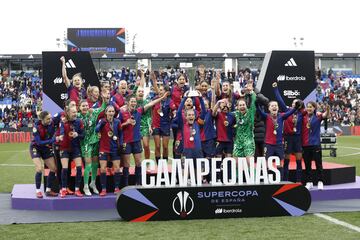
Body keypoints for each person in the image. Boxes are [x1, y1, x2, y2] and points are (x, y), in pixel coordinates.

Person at [120, 92, 169, 186]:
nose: (133, 103)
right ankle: (125, 185)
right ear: (128, 102)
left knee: (138, 162)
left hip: (136, 141)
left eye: (134, 101)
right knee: (126, 165)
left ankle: (139, 184)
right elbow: (119, 126)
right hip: (126, 142)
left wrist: (161, 97)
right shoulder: (122, 113)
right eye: (132, 101)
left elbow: (151, 104)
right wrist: (126, 123)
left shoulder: (139, 111)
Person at [257, 100, 300, 180]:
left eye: (276, 105)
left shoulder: (282, 116)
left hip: (279, 144)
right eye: (272, 106)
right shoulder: (266, 116)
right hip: (268, 144)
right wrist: (257, 105)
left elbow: (290, 113)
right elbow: (259, 112)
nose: (274, 107)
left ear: (278, 108)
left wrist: (296, 108)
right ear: (269, 109)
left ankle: (280, 181)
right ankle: (266, 182)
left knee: (280, 163)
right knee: (266, 163)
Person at [273, 81, 303, 182]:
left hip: (297, 138)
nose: (294, 104)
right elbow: (279, 100)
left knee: (299, 162)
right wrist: (276, 89)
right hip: (288, 138)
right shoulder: (287, 110)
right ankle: (285, 181)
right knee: (286, 162)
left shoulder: (301, 114)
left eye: (296, 103)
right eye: (294, 102)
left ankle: (299, 181)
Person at [77, 96, 107, 196]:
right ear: (79, 107)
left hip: (95, 141)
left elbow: (103, 107)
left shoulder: (93, 113)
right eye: (83, 106)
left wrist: (104, 98)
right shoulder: (77, 116)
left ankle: (92, 183)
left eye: (86, 105)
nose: (85, 107)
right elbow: (67, 115)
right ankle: (85, 186)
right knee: (88, 164)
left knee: (95, 164)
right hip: (85, 143)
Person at [95, 105, 123, 196]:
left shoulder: (117, 121)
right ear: (106, 112)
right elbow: (96, 130)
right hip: (104, 147)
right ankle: (103, 189)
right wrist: (101, 124)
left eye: (112, 111)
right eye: (109, 111)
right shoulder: (102, 121)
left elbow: (121, 133)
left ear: (114, 113)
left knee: (117, 168)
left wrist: (121, 143)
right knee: (103, 168)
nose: (111, 113)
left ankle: (116, 187)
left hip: (115, 147)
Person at [302, 101, 330, 190]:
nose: (309, 108)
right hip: (305, 145)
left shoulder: (318, 116)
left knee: (318, 164)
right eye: (308, 107)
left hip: (316, 144)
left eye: (311, 107)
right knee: (307, 164)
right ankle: (309, 182)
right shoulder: (303, 117)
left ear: (314, 108)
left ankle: (320, 181)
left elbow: (325, 115)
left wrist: (328, 110)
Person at [30, 111, 58, 198]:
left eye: (50, 118)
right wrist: (52, 140)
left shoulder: (52, 122)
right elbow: (38, 142)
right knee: (39, 169)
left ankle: (48, 190)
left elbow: (61, 114)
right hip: (36, 148)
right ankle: (38, 191)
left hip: (45, 148)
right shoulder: (36, 127)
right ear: (42, 119)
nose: (50, 120)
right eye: (48, 119)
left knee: (53, 168)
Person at [58, 106, 85, 198]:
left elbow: (83, 135)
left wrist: (78, 134)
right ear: (68, 113)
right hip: (64, 147)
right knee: (65, 169)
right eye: (73, 112)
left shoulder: (79, 121)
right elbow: (61, 132)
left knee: (79, 168)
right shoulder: (63, 121)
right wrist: (61, 136)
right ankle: (64, 189)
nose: (75, 114)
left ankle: (77, 189)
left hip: (75, 148)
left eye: (76, 112)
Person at [232, 82, 256, 161]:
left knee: (250, 163)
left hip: (248, 142)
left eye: (243, 105)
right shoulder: (236, 114)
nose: (242, 106)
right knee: (235, 165)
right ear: (237, 107)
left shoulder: (250, 113)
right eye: (240, 105)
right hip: (238, 142)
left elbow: (253, 102)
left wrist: (251, 92)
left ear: (246, 106)